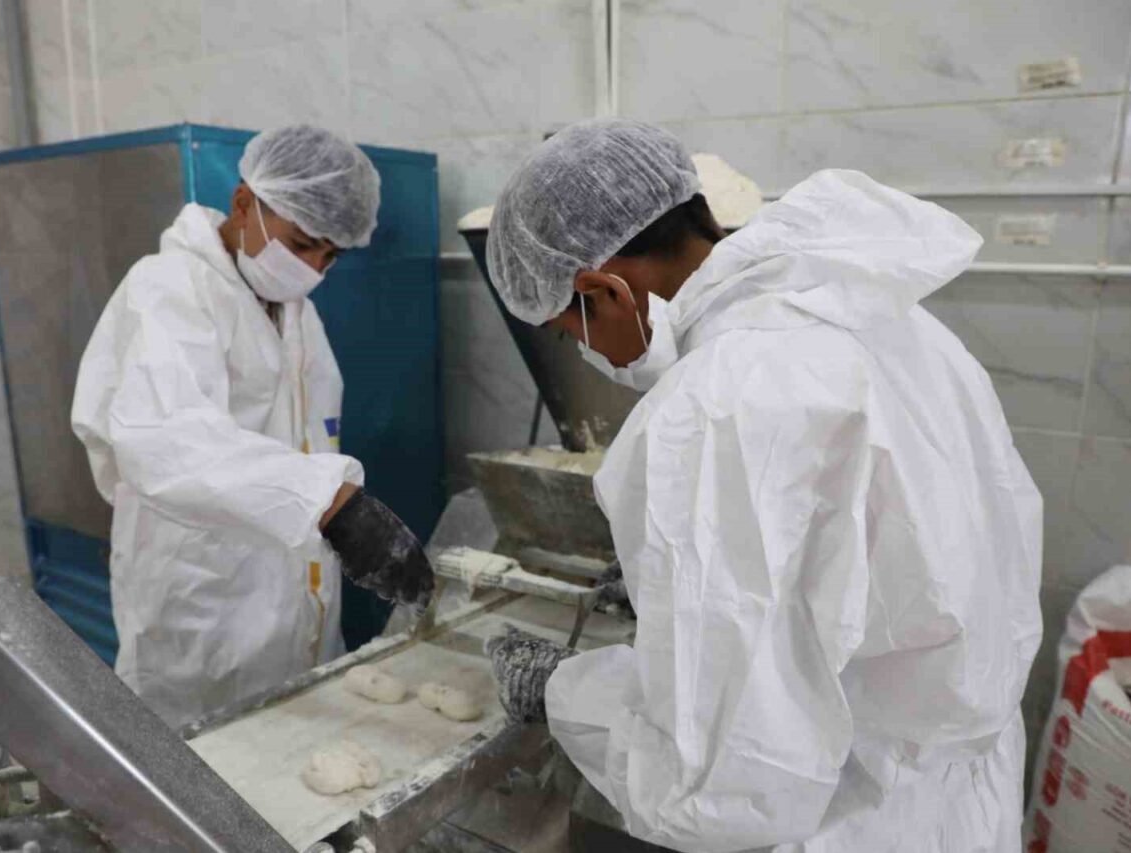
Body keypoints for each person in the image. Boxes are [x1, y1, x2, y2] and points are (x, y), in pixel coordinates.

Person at [484, 118, 1042, 852]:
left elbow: (717, 784)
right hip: (956, 794)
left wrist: (564, 690)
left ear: (602, 289)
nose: (586, 351)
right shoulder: (891, 318)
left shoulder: (714, 404)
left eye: (568, 330)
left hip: (853, 820)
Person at [72, 125, 433, 729]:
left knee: (297, 745)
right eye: (303, 244)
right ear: (244, 204)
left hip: (292, 591)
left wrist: (326, 511)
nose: (314, 269)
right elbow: (166, 439)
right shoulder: (167, 288)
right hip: (203, 599)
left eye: (331, 256)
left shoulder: (296, 311)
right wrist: (334, 506)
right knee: (201, 761)